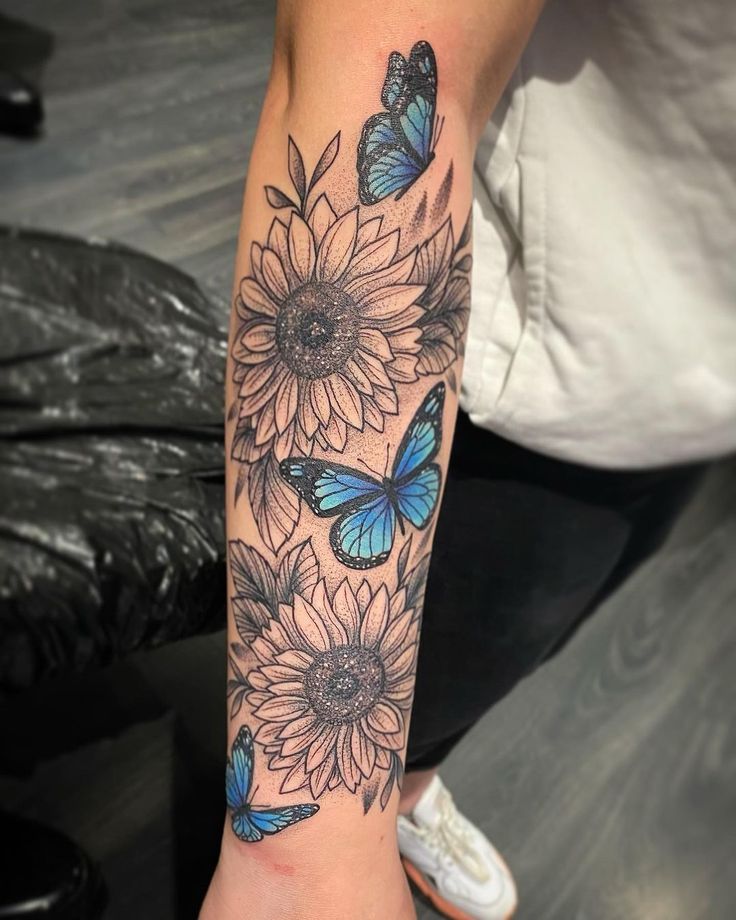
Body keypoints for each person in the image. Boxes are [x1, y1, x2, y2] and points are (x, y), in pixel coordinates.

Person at [201, 1, 736, 918]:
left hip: (695, 385)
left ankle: (409, 790)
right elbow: (386, 63)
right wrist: (304, 860)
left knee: (521, 641)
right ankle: (373, 803)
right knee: (461, 633)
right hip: (526, 361)